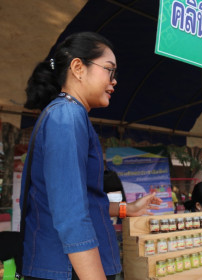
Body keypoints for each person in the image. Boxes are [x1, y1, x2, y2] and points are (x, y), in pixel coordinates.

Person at [20, 32, 162, 280]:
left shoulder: (67, 114)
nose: (114, 80)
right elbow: (70, 213)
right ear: (78, 68)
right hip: (66, 269)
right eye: (109, 70)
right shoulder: (66, 116)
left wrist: (127, 209)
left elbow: (80, 201)